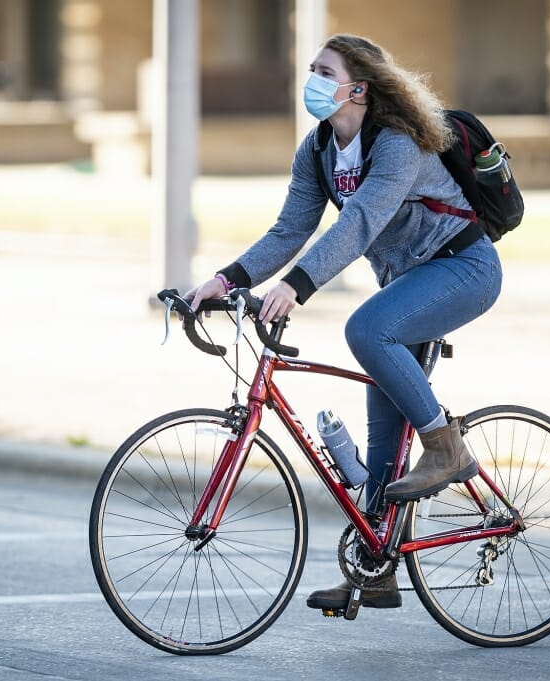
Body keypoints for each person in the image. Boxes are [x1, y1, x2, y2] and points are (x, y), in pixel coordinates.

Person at [185, 34, 502, 611]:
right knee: (383, 436)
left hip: (463, 268)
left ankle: (447, 449)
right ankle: (377, 567)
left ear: (358, 88)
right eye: (312, 68)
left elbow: (359, 224)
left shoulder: (399, 144)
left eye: (323, 71)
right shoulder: (318, 151)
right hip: (405, 285)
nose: (312, 78)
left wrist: (296, 286)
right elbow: (289, 229)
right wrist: (228, 280)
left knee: (365, 331)